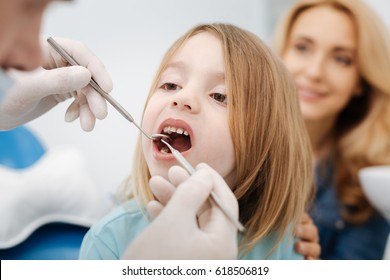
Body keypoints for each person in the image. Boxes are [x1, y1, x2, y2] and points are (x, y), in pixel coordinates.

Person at [79, 23, 314, 260]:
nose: (183, 98)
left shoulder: (285, 243)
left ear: (267, 139)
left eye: (220, 96)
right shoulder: (109, 239)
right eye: (170, 84)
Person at [273, 0, 390, 259]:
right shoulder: (230, 142)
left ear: (360, 80)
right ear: (279, 55)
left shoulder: (366, 185)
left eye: (341, 59)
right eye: (302, 48)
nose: (315, 72)